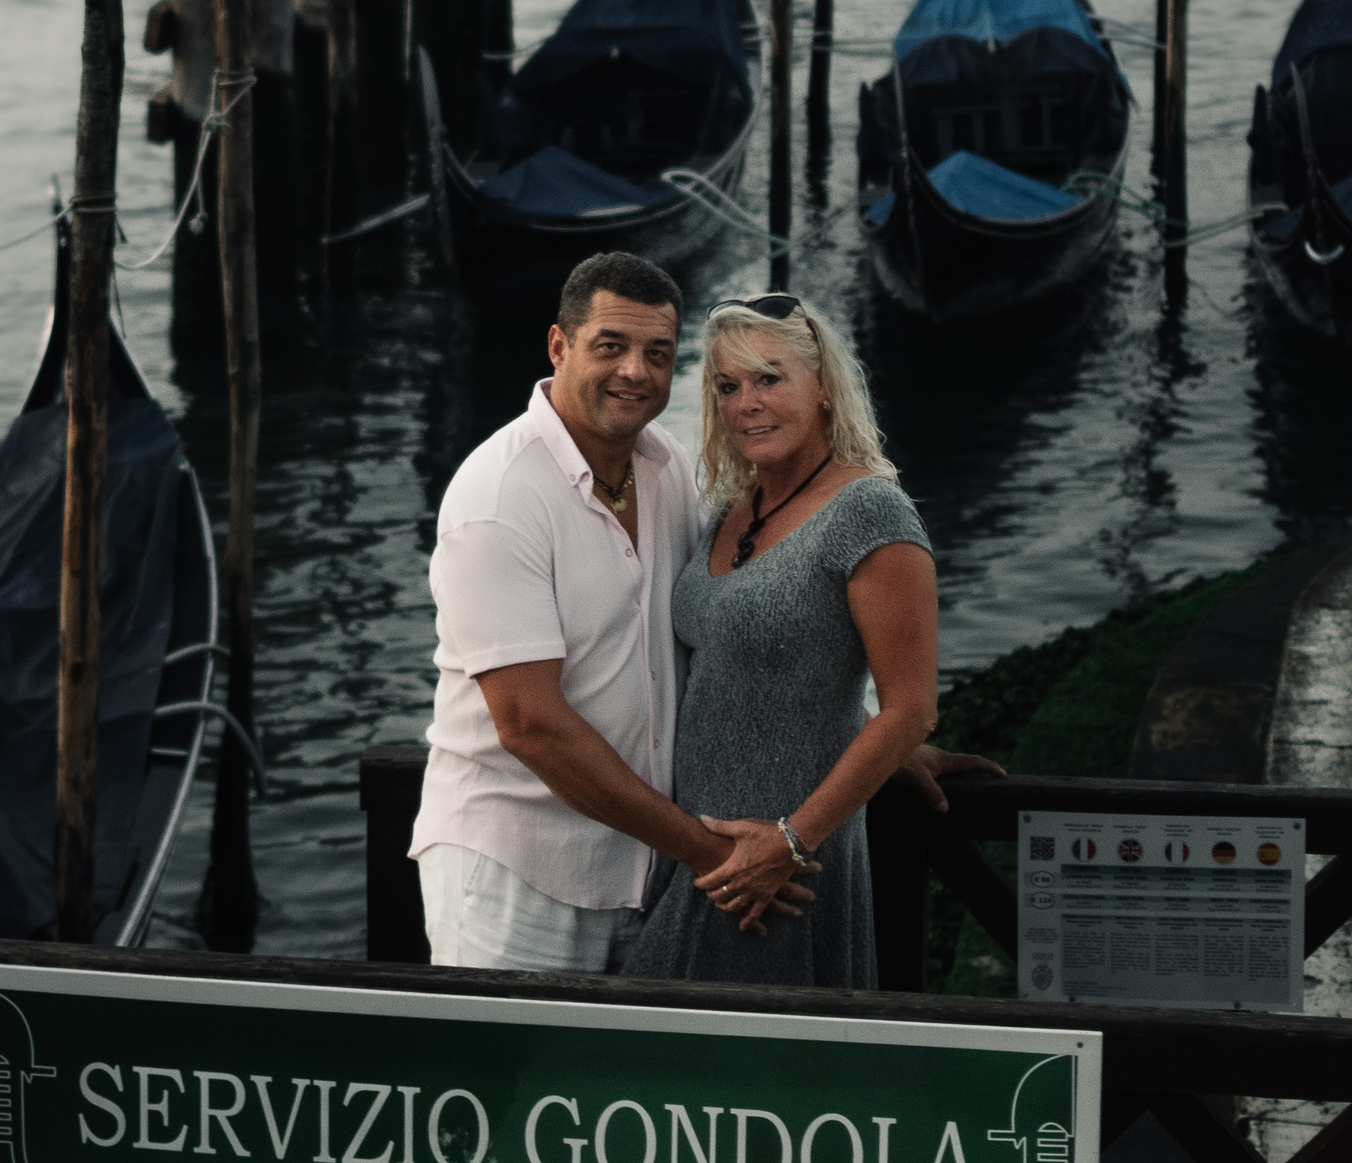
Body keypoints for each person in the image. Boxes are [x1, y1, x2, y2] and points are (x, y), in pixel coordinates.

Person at [413, 256, 994, 975]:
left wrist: (875, 742)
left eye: (658, 354)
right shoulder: (501, 497)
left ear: (823, 389)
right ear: (559, 347)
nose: (634, 371)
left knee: (678, 1080)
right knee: (518, 1080)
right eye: (610, 347)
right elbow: (530, 724)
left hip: (671, 867)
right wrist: (712, 852)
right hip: (529, 872)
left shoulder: (670, 476)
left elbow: (777, 638)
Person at [620, 291, 988, 987]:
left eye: (769, 377)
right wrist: (871, 739)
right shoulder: (732, 508)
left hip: (781, 869)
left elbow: (913, 705)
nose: (747, 402)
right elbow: (765, 666)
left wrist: (791, 841)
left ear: (821, 386)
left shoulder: (871, 510)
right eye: (728, 386)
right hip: (702, 853)